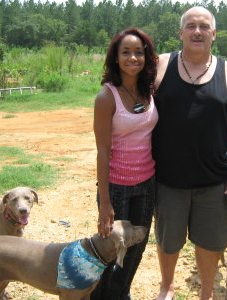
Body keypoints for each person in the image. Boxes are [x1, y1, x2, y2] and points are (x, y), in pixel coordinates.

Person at [152, 6, 227, 300]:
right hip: (168, 179)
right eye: (191, 26)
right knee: (168, 241)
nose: (197, 31)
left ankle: (206, 294)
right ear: (181, 33)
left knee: (210, 243)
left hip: (214, 182)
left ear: (214, 34)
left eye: (204, 26)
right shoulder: (160, 65)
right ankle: (167, 287)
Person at [90, 28, 158, 300]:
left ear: (147, 57)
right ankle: (99, 296)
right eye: (126, 52)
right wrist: (105, 202)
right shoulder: (107, 97)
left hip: (147, 183)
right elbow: (103, 151)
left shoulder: (150, 90)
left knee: (136, 248)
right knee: (111, 250)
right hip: (116, 186)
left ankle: (121, 293)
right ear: (115, 58)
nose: (133, 57)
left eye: (139, 52)